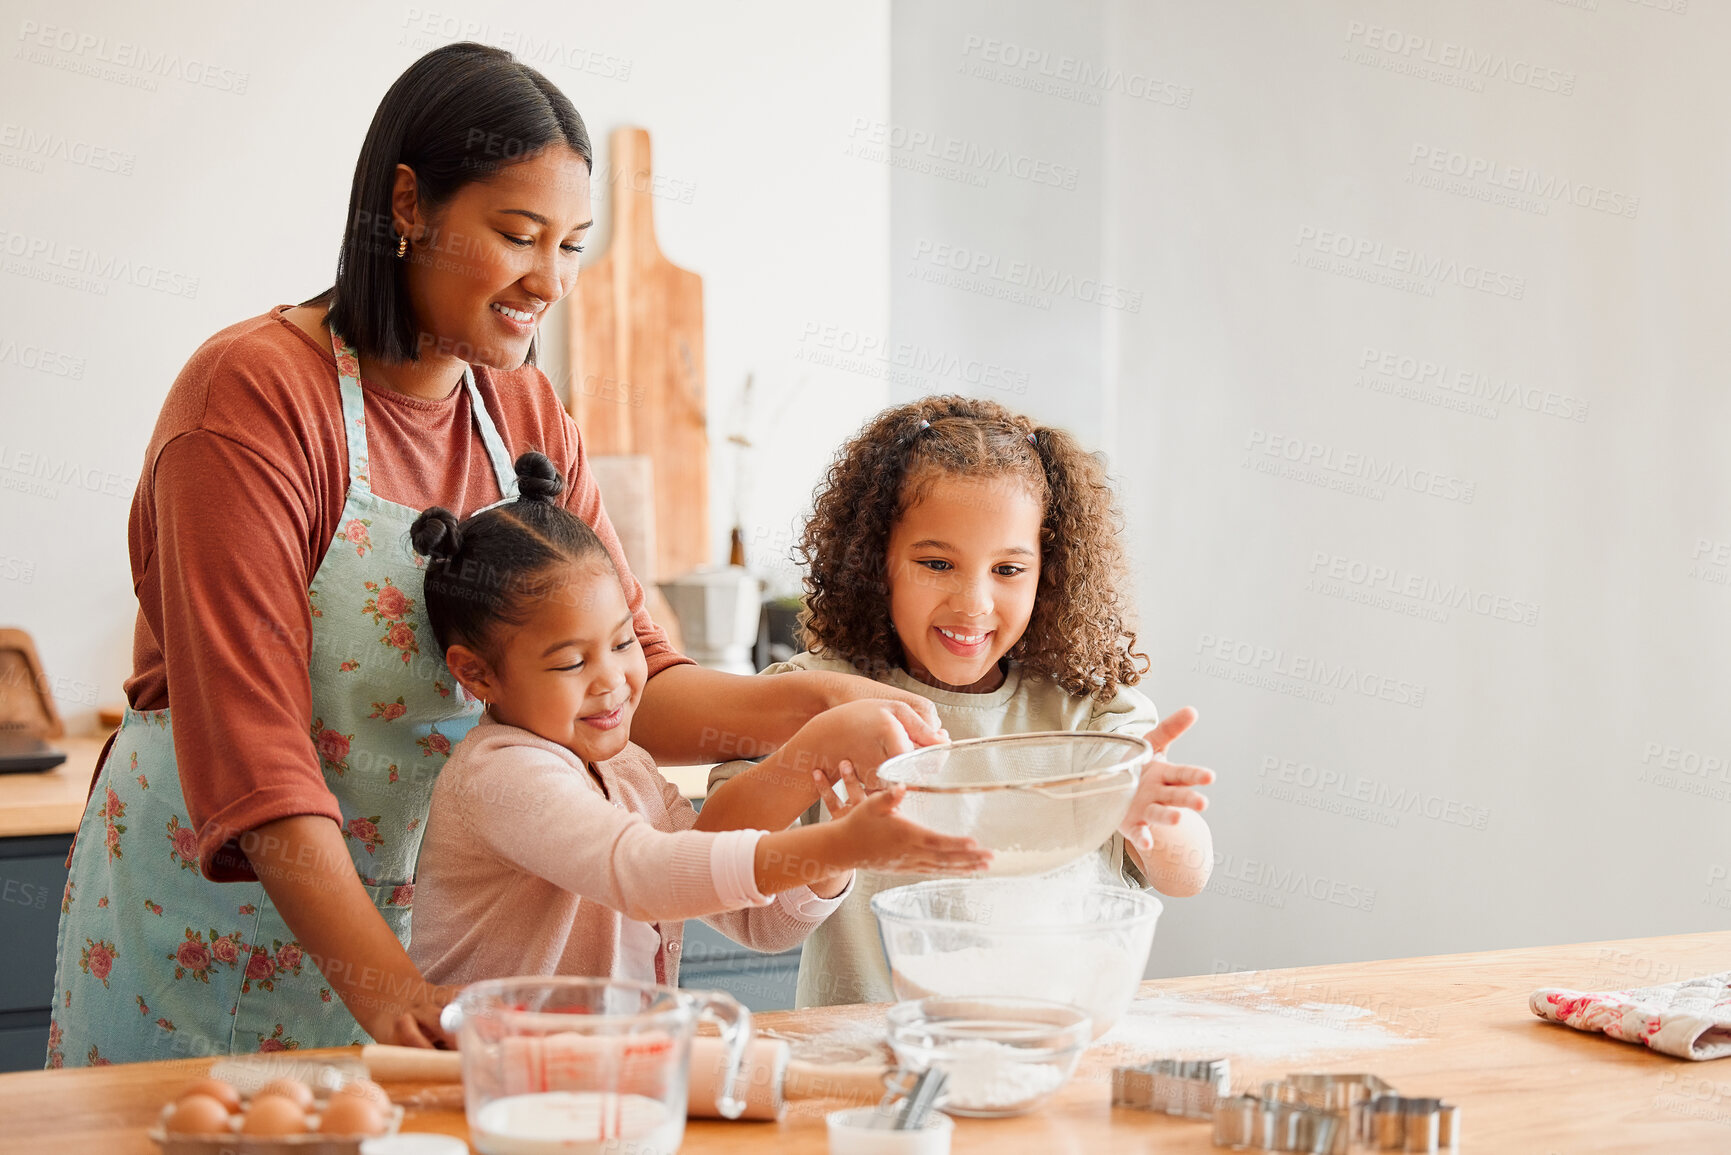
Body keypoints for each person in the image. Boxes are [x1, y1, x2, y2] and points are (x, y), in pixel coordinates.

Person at [48, 43, 943, 1068]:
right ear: (408, 204)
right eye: (520, 236)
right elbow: (256, 759)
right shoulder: (251, 400)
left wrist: (816, 705)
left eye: (572, 245)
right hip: (231, 942)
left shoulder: (520, 408)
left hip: (450, 942)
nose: (550, 282)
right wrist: (387, 990)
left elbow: (630, 681)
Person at [699, 395, 1218, 1007]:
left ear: (1047, 574)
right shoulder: (813, 696)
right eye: (937, 563)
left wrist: (1145, 811)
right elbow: (715, 870)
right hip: (873, 1065)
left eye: (1007, 570)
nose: (973, 603)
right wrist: (835, 847)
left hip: (1051, 1045)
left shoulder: (1089, 714)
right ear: (875, 564)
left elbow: (1186, 877)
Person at [404, 453, 991, 987]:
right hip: (487, 1081)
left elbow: (755, 924)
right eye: (572, 661)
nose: (613, 679)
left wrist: (834, 857)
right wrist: (821, 778)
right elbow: (643, 875)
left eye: (623, 641)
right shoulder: (502, 776)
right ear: (477, 675)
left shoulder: (626, 768)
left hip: (608, 1073)